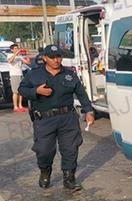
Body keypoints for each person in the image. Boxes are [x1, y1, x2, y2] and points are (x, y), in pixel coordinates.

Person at [18, 45, 95, 191]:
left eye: (59, 56)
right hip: (44, 119)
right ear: (45, 58)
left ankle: (69, 178)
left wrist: (89, 110)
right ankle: (45, 171)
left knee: (70, 148)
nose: (56, 60)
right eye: (52, 57)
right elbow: (22, 89)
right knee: (44, 150)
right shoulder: (34, 74)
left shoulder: (69, 74)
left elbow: (81, 93)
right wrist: (36, 91)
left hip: (67, 117)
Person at [7, 44, 30, 112]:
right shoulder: (10, 55)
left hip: (20, 74)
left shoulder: (19, 56)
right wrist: (15, 54)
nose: (17, 49)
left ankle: (20, 105)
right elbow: (9, 61)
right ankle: (15, 106)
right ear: (12, 49)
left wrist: (27, 55)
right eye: (15, 48)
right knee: (15, 91)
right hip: (14, 75)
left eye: (17, 48)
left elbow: (27, 62)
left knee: (20, 91)